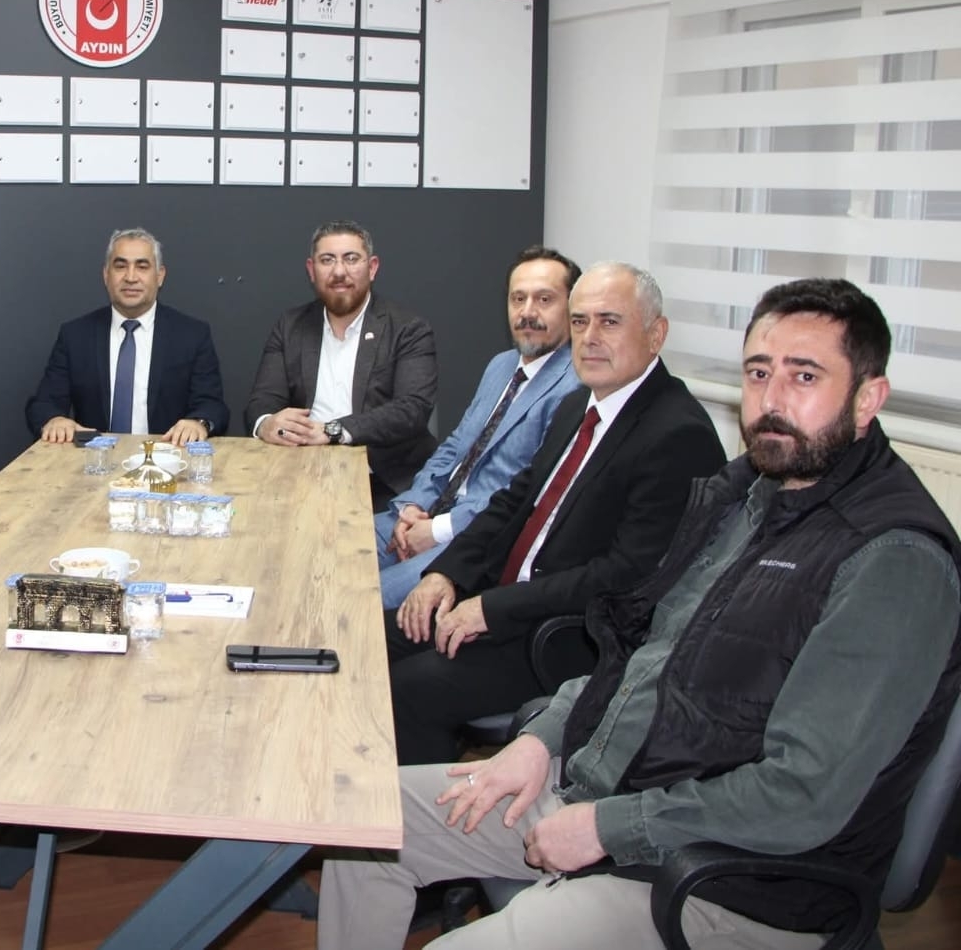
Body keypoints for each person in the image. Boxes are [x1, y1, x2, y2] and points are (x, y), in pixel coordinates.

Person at [318, 278, 961, 950]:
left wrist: (608, 827)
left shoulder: (893, 560)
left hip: (726, 880)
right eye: (758, 373)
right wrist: (542, 740)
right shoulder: (747, 496)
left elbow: (803, 797)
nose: (771, 400)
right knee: (365, 824)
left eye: (804, 377)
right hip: (618, 784)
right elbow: (641, 643)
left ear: (868, 399)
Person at [389, 263, 725, 766]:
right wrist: (445, 573)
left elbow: (625, 576)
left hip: (568, 636)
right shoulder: (578, 406)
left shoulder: (678, 434)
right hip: (509, 602)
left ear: (656, 334)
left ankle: (431, 810)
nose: (590, 338)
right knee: (372, 639)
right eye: (580, 321)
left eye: (609, 322)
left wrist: (491, 608)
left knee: (409, 688)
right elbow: (512, 503)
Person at [375, 246, 582, 607]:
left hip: (473, 540)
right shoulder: (501, 365)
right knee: (325, 550)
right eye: (518, 298)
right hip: (427, 511)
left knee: (363, 599)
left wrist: (436, 530)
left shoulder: (575, 387)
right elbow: (455, 447)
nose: (527, 312)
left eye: (544, 299)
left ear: (572, 307)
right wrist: (413, 505)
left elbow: (529, 492)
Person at [243, 220, 438, 510]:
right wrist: (266, 424)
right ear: (311, 270)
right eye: (327, 260)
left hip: (384, 483)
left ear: (372, 267)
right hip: (300, 474)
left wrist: (333, 430)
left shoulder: (408, 328)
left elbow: (412, 409)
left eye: (351, 259)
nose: (338, 272)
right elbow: (262, 400)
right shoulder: (291, 326)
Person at [26, 227, 229, 444]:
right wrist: (54, 419)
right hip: (95, 459)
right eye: (120, 266)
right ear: (106, 275)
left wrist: (198, 422)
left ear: (160, 276)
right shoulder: (75, 335)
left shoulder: (192, 335)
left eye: (142, 267)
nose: (131, 277)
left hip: (168, 456)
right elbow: (43, 404)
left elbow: (212, 406)